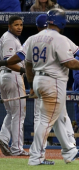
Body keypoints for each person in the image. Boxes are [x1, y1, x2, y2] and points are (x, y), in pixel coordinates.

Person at [24, 8, 79, 165]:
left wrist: (31, 85)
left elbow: (28, 65)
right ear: (62, 22)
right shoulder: (60, 38)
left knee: (58, 118)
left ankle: (69, 151)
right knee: (46, 121)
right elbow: (69, 62)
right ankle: (35, 158)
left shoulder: (33, 38)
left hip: (39, 80)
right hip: (53, 83)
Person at [0, 15, 29, 156]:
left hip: (5, 77)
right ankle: (17, 149)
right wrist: (25, 71)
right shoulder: (9, 38)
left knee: (12, 113)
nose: (19, 27)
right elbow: (9, 62)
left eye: (21, 25)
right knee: (19, 114)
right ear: (9, 26)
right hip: (12, 76)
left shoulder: (12, 38)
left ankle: (3, 138)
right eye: (16, 25)